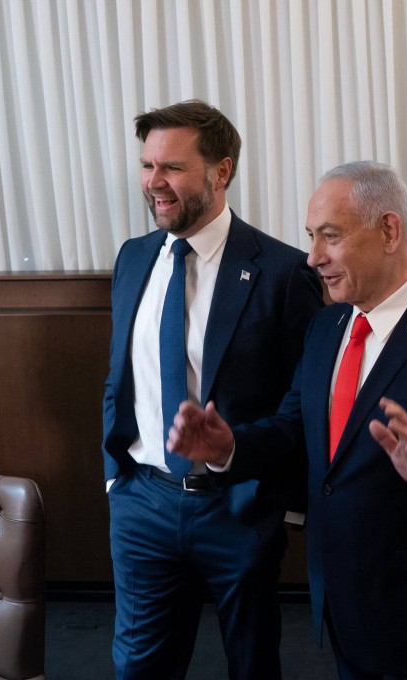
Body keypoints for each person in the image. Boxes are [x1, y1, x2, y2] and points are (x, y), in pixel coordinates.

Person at [168, 160, 407, 679]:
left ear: (389, 230)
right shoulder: (326, 326)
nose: (314, 257)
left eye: (330, 237)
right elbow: (295, 430)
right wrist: (231, 448)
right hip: (341, 600)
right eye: (311, 237)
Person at [101, 99, 324, 679]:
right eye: (148, 165)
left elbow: (301, 407)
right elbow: (121, 376)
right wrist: (115, 476)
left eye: (171, 167)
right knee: (139, 668)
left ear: (221, 172)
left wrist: (286, 508)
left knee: (251, 665)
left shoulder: (282, 272)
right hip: (142, 502)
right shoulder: (133, 259)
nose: (154, 183)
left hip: (239, 509)